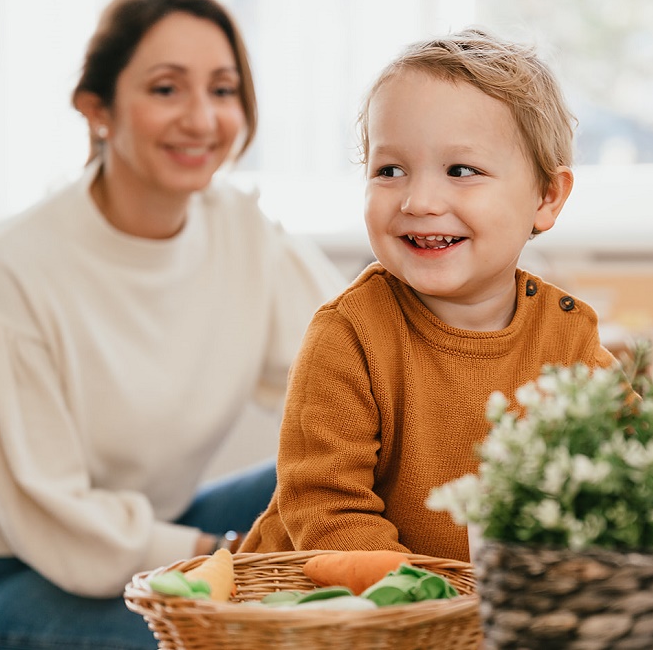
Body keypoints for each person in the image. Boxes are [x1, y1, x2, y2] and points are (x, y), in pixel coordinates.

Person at [0, 0, 344, 648]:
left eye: (223, 90)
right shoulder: (8, 268)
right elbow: (52, 516)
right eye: (166, 89)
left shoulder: (244, 231)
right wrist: (230, 559)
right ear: (97, 108)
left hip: (148, 531)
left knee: (357, 473)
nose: (201, 119)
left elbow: (351, 363)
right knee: (240, 637)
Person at [240, 28, 617, 562]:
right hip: (335, 605)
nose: (419, 200)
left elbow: (632, 471)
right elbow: (327, 508)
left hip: (482, 611)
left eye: (461, 171)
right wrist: (424, 604)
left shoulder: (568, 339)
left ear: (546, 197)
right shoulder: (348, 336)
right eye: (389, 170)